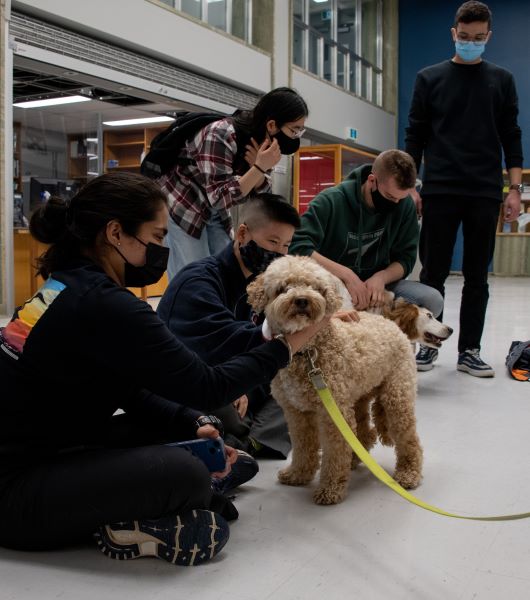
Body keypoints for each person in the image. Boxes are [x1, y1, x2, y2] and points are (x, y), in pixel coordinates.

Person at [0, 172, 329, 566]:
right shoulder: (107, 306)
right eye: (156, 238)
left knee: (191, 424)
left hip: (55, 441)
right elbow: (209, 385)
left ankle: (193, 469)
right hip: (15, 494)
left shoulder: (60, 287)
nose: (161, 250)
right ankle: (147, 514)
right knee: (184, 473)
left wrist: (190, 423)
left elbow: (125, 389)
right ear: (116, 233)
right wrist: (287, 346)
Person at [405, 1, 523, 377]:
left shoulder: (501, 79)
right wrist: (411, 186)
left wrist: (515, 188)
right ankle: (428, 345)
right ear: (454, 33)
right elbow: (415, 135)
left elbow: (511, 135)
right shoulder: (429, 78)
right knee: (432, 275)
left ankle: (469, 350)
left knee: (477, 276)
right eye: (465, 37)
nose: (471, 42)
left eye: (478, 38)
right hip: (439, 189)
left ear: (488, 36)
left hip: (484, 191)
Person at [157, 193, 301, 460]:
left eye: (285, 246)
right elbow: (222, 346)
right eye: (272, 242)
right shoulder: (198, 283)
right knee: (223, 415)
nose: (279, 253)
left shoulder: (262, 283)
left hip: (240, 380)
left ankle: (251, 442)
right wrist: (240, 382)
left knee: (302, 371)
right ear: (243, 234)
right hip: (201, 382)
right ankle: (238, 438)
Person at [156, 86, 309, 279]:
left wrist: (258, 170)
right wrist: (258, 169)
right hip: (183, 206)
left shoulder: (263, 144)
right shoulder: (220, 133)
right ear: (272, 125)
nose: (296, 137)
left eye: (300, 131)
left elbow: (262, 197)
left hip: (214, 212)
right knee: (191, 276)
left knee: (228, 271)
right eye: (294, 130)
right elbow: (220, 197)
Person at [288, 149, 444, 321]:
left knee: (432, 300)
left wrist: (381, 277)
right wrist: (346, 276)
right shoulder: (330, 201)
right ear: (372, 180)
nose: (396, 204)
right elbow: (298, 246)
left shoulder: (405, 205)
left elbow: (405, 259)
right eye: (390, 196)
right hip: (330, 283)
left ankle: (393, 344)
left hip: (376, 288)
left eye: (401, 198)